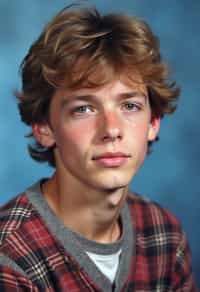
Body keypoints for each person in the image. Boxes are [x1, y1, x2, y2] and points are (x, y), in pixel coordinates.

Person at [0, 4, 197, 291]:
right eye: (84, 109)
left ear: (153, 123)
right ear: (44, 127)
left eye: (129, 106)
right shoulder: (10, 256)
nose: (111, 130)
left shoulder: (164, 233)